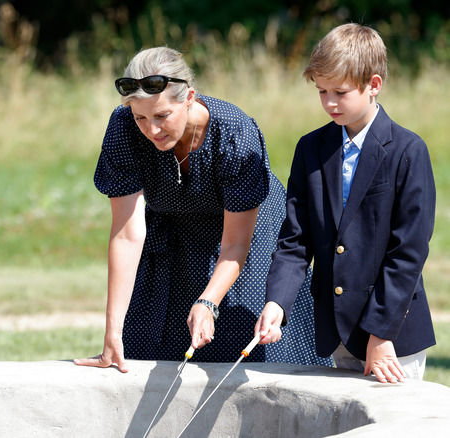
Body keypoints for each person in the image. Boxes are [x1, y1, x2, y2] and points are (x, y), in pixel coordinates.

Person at [74, 47, 331, 372]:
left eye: (162, 116)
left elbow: (236, 244)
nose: (151, 130)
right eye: (141, 117)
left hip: (246, 235)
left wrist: (208, 301)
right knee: (148, 341)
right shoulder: (123, 128)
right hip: (171, 229)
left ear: (189, 97)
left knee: (239, 345)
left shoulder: (236, 134)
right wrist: (112, 331)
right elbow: (127, 235)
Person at [255, 23, 436, 384]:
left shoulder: (408, 151)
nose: (329, 103)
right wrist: (277, 301)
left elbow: (408, 251)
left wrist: (381, 335)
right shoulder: (310, 149)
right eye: (321, 91)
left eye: (340, 92)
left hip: (393, 338)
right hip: (335, 330)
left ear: (373, 85)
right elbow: (295, 239)